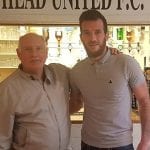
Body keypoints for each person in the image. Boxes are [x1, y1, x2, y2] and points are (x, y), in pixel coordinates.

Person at [69, 9, 150, 150]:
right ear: (81, 36)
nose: (92, 38)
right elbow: (76, 102)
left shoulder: (126, 63)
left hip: (121, 145)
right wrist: (48, 114)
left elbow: (144, 101)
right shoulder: (77, 70)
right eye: (87, 33)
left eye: (97, 32)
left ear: (106, 35)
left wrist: (146, 140)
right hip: (88, 144)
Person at [0, 33, 71, 150]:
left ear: (46, 52)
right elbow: (2, 139)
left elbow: (84, 74)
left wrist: (108, 54)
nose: (34, 54)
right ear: (19, 54)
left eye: (39, 48)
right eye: (28, 49)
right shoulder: (7, 89)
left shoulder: (60, 73)